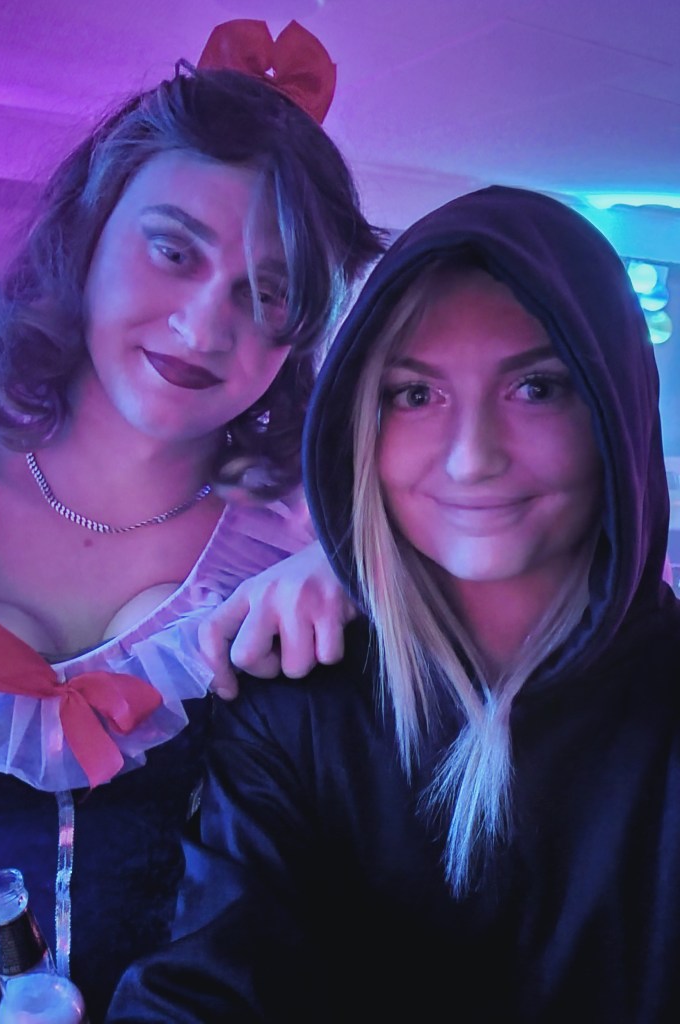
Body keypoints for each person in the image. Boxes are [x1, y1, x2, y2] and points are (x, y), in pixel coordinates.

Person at [105, 185, 680, 1024]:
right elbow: (211, 981)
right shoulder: (296, 709)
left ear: (614, 413)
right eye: (416, 395)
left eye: (537, 388)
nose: (472, 458)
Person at [0, 18, 384, 1024]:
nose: (205, 325)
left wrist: (372, 580)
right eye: (174, 249)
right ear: (89, 231)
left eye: (268, 292)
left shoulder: (305, 541)